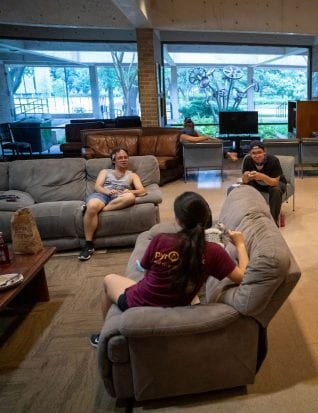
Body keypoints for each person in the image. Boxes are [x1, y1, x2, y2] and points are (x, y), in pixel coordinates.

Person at [90, 191, 249, 347]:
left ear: (178, 220)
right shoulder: (214, 251)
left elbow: (147, 275)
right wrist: (240, 245)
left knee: (108, 280)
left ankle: (103, 336)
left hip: (141, 303)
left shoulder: (161, 240)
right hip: (179, 304)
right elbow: (244, 277)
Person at [79, 147, 146, 261]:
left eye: (125, 157)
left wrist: (129, 191)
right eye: (120, 158)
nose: (124, 160)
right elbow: (98, 187)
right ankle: (88, 245)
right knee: (93, 205)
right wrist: (108, 191)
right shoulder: (105, 172)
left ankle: (96, 209)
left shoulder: (132, 175)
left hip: (120, 197)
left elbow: (141, 191)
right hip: (103, 195)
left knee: (130, 198)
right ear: (114, 160)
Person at [241, 140, 287, 226]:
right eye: (254, 153)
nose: (257, 155)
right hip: (258, 184)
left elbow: (275, 182)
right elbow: (245, 181)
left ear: (264, 152)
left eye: (259, 152)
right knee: (245, 187)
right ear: (250, 154)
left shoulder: (273, 160)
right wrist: (246, 175)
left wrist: (262, 176)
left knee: (276, 190)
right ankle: (251, 216)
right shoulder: (247, 160)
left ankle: (273, 221)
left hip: (275, 183)